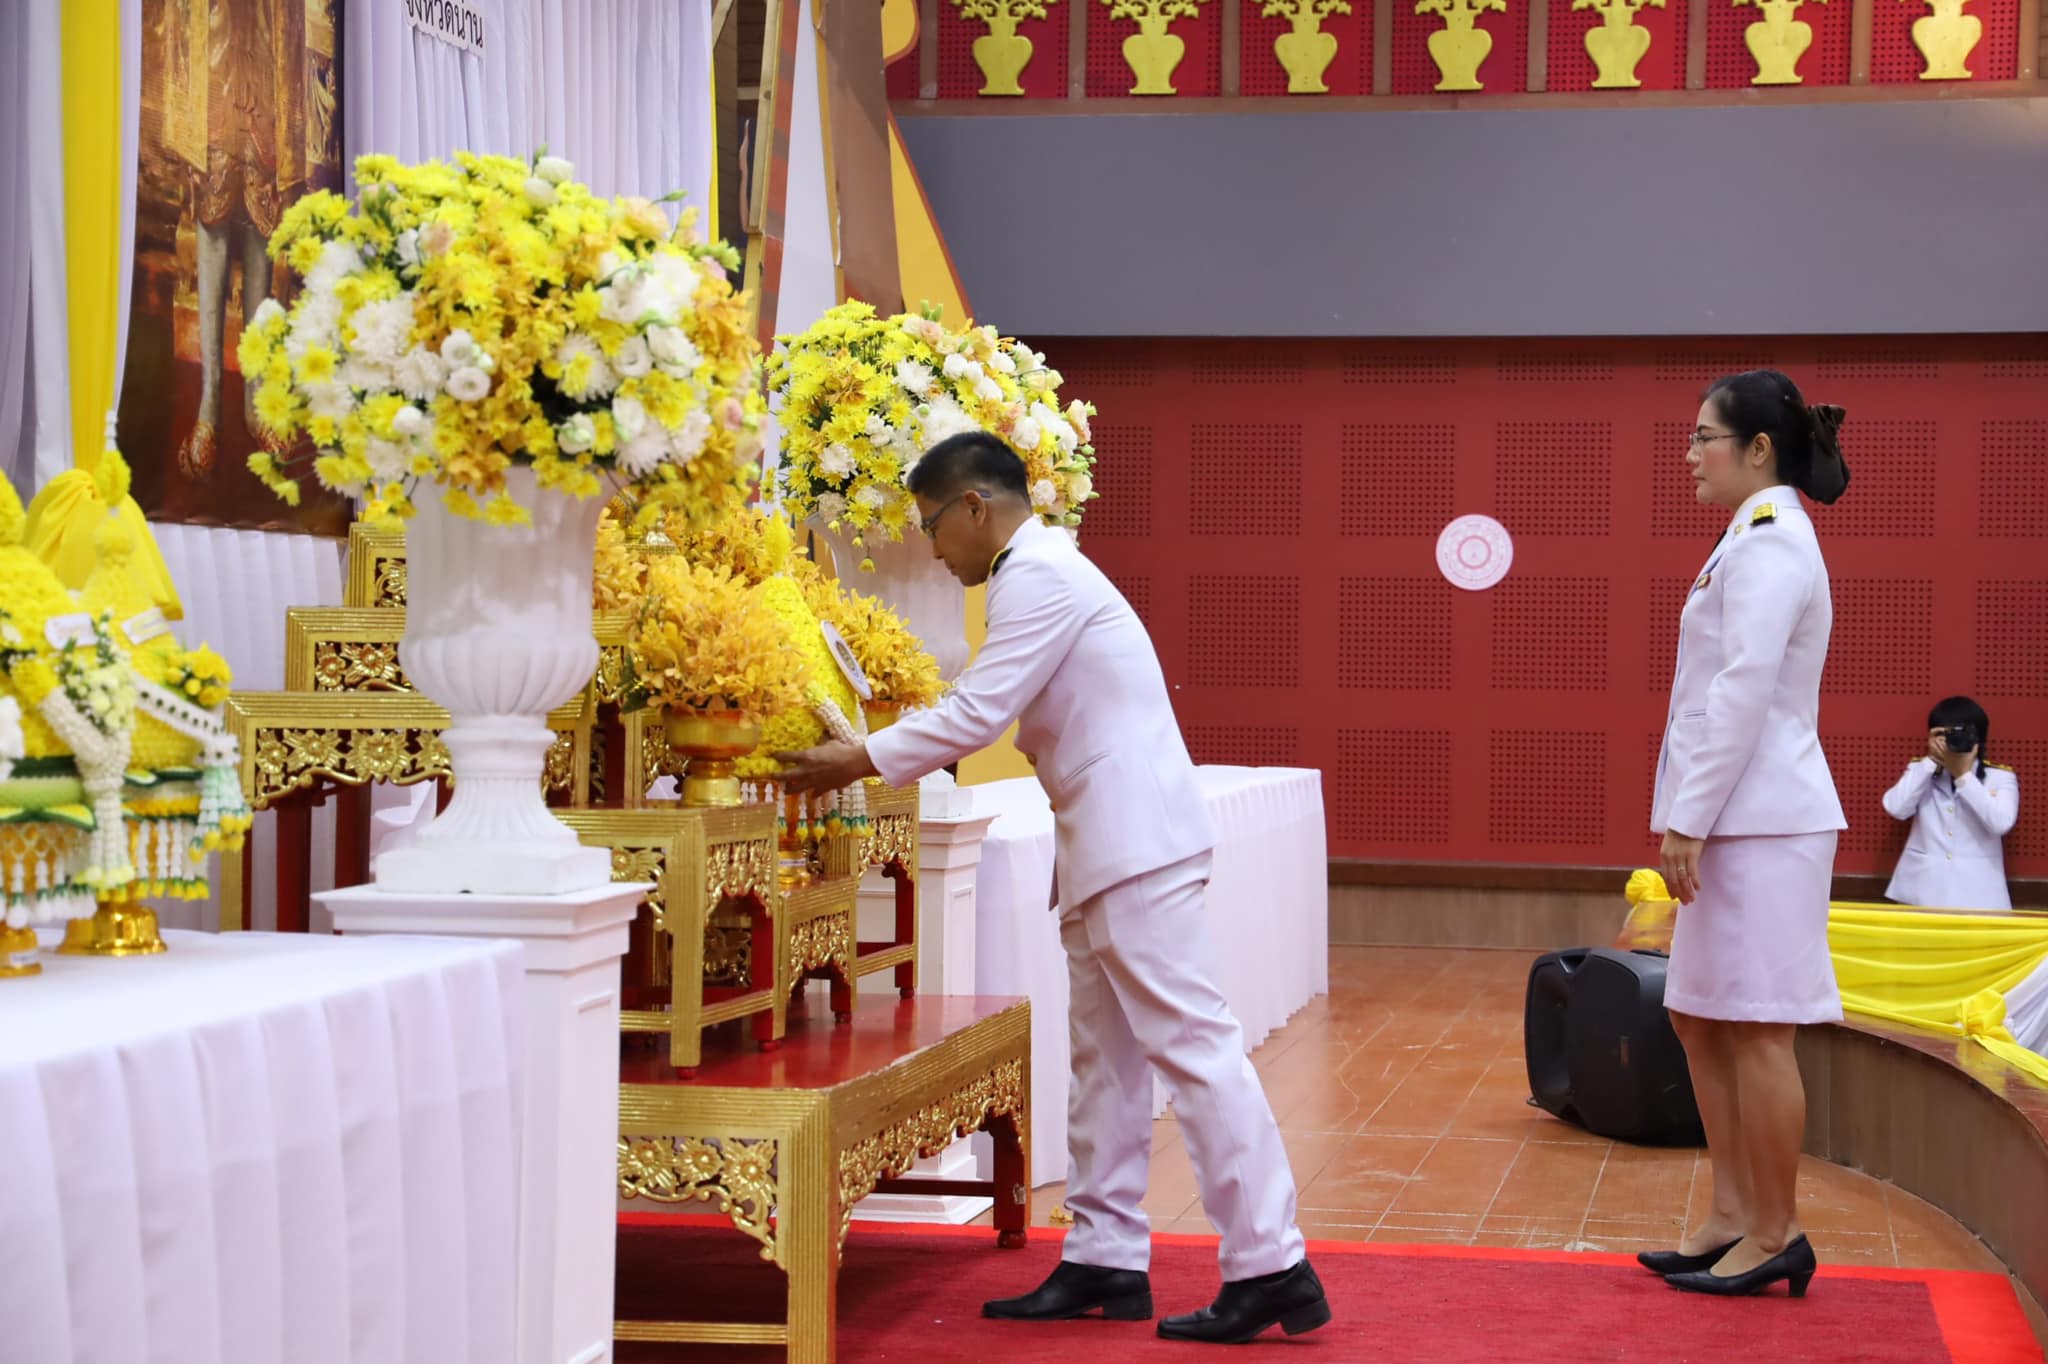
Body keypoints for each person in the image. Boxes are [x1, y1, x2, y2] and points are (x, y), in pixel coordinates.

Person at [774, 431, 1329, 1344]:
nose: (932, 549)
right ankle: (1105, 1255)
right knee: (1103, 1061)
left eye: (930, 526)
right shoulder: (1044, 567)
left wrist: (856, 760)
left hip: (1134, 843)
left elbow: (978, 711)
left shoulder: (1036, 576)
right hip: (1109, 840)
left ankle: (1272, 1265)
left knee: (1194, 1052)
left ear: (974, 509)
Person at [1645, 370, 1852, 1298]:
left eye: (1703, 437)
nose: (1690, 455)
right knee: (1697, 1015)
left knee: (1762, 1030)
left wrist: (1688, 817)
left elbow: (1742, 689)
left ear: (1758, 449)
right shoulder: (1746, 539)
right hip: (1735, 816)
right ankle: (1731, 1214)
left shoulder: (1772, 542)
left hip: (1764, 822)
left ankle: (1776, 1231)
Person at [1882, 697, 2019, 910]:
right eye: (1943, 734)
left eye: (1960, 733)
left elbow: (2000, 823)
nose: (1951, 740)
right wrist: (1930, 762)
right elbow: (1896, 808)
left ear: (1978, 739)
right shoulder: (1921, 771)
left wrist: (1963, 775)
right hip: (1921, 892)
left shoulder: (1999, 778)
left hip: (1980, 896)